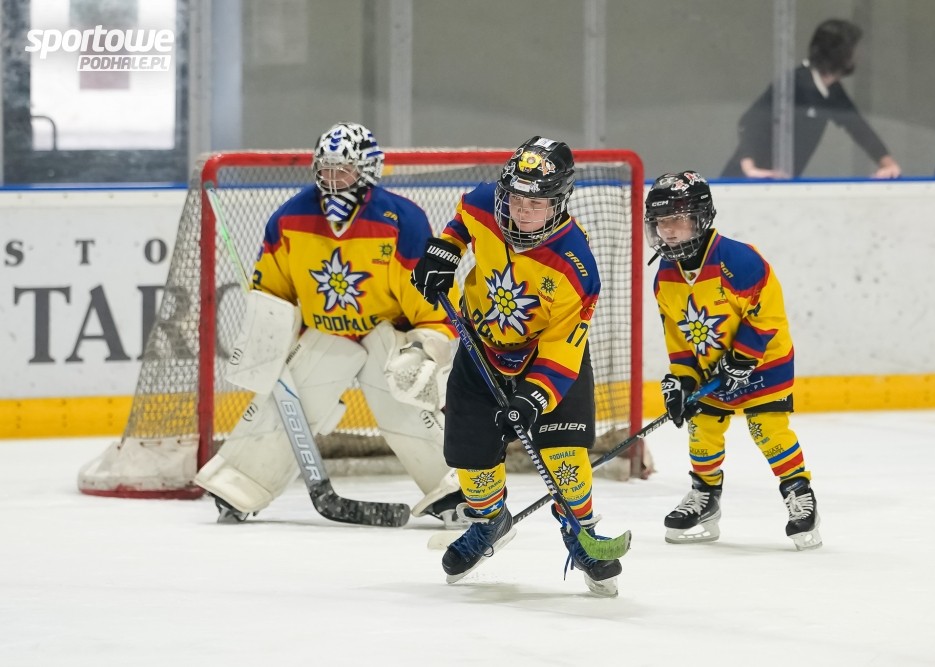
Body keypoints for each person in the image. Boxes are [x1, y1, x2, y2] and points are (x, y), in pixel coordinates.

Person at [194, 121, 465, 526]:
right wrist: (266, 340)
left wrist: (423, 348)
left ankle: (458, 489)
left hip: (386, 337)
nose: (334, 179)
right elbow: (273, 293)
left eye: (345, 170)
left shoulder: (402, 220)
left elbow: (433, 306)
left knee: (405, 393)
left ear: (368, 170)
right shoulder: (289, 218)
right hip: (325, 336)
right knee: (288, 402)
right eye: (326, 169)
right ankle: (239, 483)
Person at [409, 136, 624, 596]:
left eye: (536, 204)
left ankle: (581, 533)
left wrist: (532, 399)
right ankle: (490, 521)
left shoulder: (576, 266)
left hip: (545, 361)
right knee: (469, 455)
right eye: (516, 199)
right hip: (481, 347)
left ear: (558, 203)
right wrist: (445, 249)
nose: (522, 212)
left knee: (564, 456)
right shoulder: (485, 203)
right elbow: (462, 222)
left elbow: (562, 348)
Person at [645, 170, 822, 551]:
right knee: (702, 427)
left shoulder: (739, 260)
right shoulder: (665, 277)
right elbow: (678, 336)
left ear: (700, 218)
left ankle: (798, 492)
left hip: (764, 362)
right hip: (711, 367)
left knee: (767, 428)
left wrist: (742, 358)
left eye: (676, 219)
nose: (668, 231)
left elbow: (767, 314)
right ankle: (705, 496)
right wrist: (683, 379)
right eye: (660, 221)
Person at [720, 19, 901, 180]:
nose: (858, 55)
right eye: (854, 49)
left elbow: (859, 128)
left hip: (778, 184)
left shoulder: (832, 90)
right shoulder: (795, 82)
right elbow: (749, 122)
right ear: (840, 52)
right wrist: (750, 169)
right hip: (743, 183)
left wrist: (888, 165)